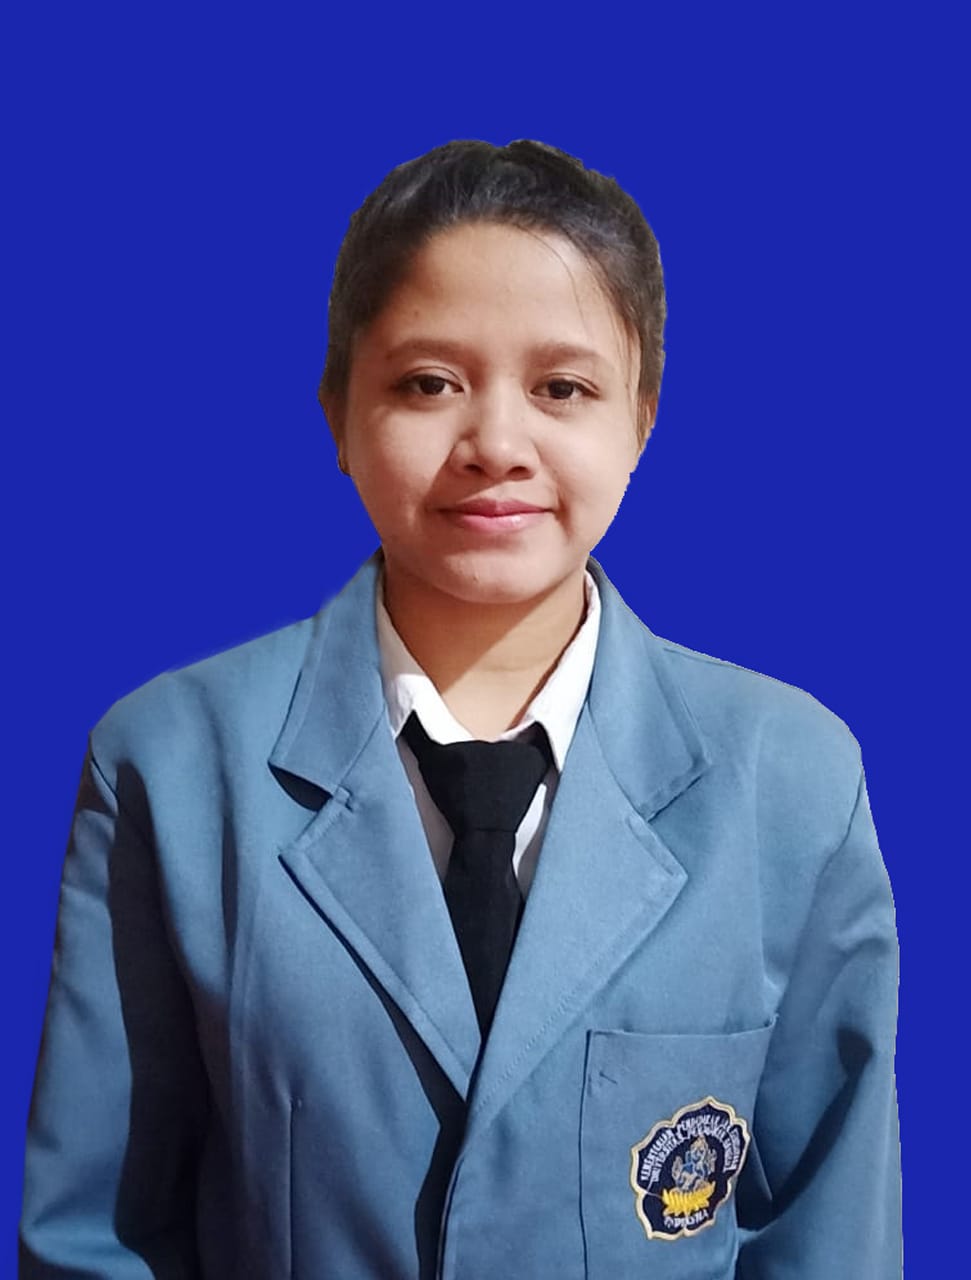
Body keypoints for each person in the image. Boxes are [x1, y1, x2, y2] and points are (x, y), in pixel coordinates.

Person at [19, 139, 902, 1278]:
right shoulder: (171, 765)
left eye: (561, 388)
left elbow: (829, 1231)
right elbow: (98, 1237)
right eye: (428, 383)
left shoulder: (790, 781)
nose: (494, 445)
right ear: (339, 413)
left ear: (641, 418)